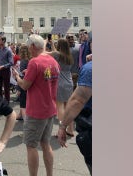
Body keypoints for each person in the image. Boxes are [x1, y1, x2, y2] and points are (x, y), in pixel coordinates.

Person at [12, 34, 60, 176]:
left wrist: (17, 78)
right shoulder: (52, 61)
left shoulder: (35, 62)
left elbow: (25, 86)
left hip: (37, 110)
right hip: (50, 108)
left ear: (33, 46)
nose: (28, 49)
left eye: (28, 46)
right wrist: (29, 74)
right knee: (46, 144)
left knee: (31, 146)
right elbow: (44, 77)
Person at [57, 38, 92, 174]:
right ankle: (70, 129)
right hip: (70, 79)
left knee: (62, 105)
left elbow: (78, 101)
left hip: (63, 81)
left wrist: (61, 126)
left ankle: (67, 128)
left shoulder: (90, 68)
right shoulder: (73, 53)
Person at [49, 38, 75, 136]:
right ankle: (71, 129)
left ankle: (61, 130)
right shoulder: (69, 56)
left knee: (59, 107)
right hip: (69, 82)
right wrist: (52, 44)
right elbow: (56, 53)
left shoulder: (57, 55)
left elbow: (48, 53)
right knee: (68, 107)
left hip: (60, 82)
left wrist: (47, 43)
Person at [0, 36, 14, 103]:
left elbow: (11, 62)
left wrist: (2, 66)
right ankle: (0, 101)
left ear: (3, 41)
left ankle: (7, 101)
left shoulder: (8, 51)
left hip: (6, 71)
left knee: (6, 87)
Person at [15, 44, 31, 121]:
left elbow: (22, 72)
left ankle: (25, 120)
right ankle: (20, 115)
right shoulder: (31, 59)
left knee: (23, 102)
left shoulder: (23, 60)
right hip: (30, 82)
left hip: (23, 81)